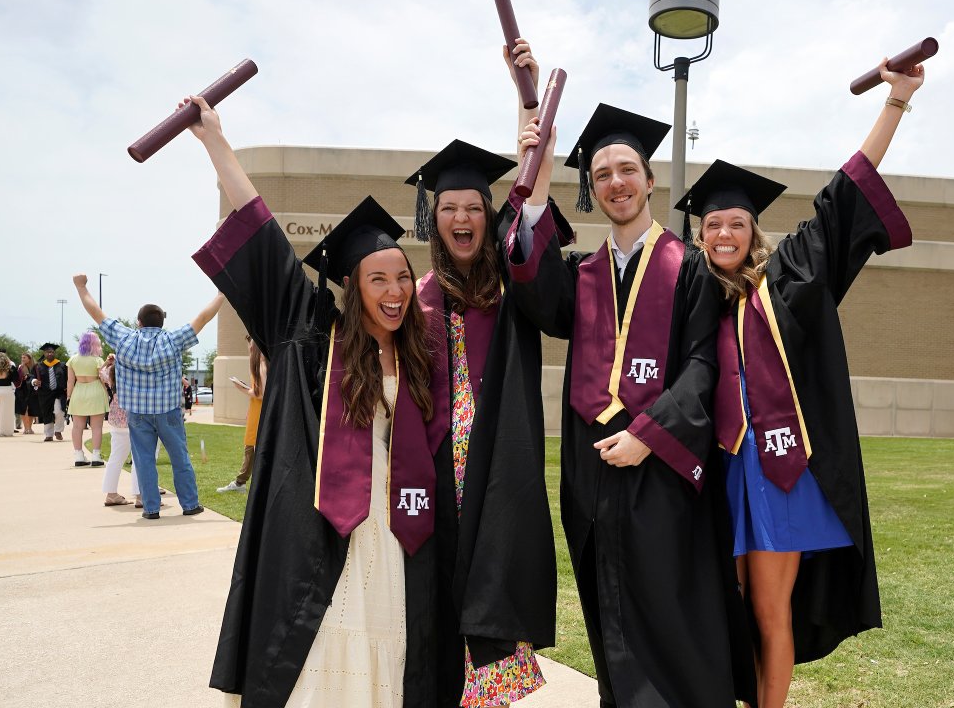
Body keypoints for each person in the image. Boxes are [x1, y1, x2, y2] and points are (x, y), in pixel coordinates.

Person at [187, 94, 456, 707]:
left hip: (395, 531)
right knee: (323, 641)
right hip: (321, 527)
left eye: (401, 278)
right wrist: (216, 143)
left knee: (388, 646)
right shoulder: (311, 340)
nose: (394, 292)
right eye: (377, 279)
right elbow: (262, 235)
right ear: (352, 286)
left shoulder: (420, 355)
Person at [507, 42, 754, 706]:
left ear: (649, 181)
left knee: (673, 623)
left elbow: (708, 363)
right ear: (592, 188)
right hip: (593, 480)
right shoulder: (582, 275)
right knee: (611, 625)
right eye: (602, 173)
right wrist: (536, 167)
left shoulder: (691, 266)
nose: (615, 181)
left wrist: (652, 433)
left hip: (664, 475)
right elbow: (536, 292)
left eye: (627, 169)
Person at [674, 55, 921, 707]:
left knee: (769, 612)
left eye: (735, 222)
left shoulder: (787, 279)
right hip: (720, 476)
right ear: (700, 237)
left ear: (752, 229)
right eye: (712, 225)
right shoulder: (690, 300)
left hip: (780, 474)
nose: (724, 232)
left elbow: (842, 198)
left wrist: (894, 104)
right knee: (723, 613)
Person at [406, 139, 561, 705]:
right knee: (438, 597)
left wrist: (530, 121)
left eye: (473, 207)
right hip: (436, 472)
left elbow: (531, 226)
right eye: (448, 208)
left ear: (487, 213)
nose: (461, 218)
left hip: (500, 468)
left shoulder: (510, 287)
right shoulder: (419, 296)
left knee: (493, 591)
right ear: (433, 219)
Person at [71, 274, 220, 518]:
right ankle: (190, 505)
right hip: (169, 411)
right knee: (179, 458)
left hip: (138, 413)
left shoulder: (125, 338)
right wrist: (221, 295)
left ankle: (150, 509)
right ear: (162, 322)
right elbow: (202, 318)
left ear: (138, 322)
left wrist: (81, 287)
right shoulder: (173, 340)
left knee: (143, 460)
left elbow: (95, 312)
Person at [216, 335, 266, 494]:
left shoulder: (262, 364)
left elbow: (262, 393)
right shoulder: (259, 364)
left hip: (260, 412)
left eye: (251, 347)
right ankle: (240, 482)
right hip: (255, 411)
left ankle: (241, 483)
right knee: (250, 448)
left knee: (252, 448)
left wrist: (241, 388)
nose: (249, 349)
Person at [100, 353, 140, 507]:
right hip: (134, 416)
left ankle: (111, 494)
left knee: (116, 457)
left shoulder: (112, 374)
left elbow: (101, 372)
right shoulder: (134, 374)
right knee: (139, 457)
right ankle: (140, 494)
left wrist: (107, 362)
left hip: (117, 418)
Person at [66, 330, 110, 467]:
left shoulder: (73, 359)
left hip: (78, 391)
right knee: (96, 426)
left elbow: (69, 381)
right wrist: (107, 393)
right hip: (96, 390)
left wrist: (68, 397)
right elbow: (103, 379)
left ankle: (78, 455)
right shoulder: (97, 360)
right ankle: (96, 455)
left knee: (77, 426)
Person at [32, 343, 68, 441]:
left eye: (52, 352)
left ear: (54, 353)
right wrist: (34, 381)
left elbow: (68, 378)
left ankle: (58, 430)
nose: (50, 354)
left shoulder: (62, 365)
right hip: (45, 393)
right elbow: (32, 377)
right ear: (44, 353)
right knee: (46, 413)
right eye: (48, 352)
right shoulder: (38, 366)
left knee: (59, 412)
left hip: (59, 393)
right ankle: (49, 434)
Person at [15, 352, 40, 435]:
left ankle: (29, 427)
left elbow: (38, 377)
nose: (22, 359)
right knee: (23, 409)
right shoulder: (20, 367)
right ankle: (26, 428)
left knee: (31, 409)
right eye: (22, 357)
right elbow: (17, 379)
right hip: (22, 390)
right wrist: (23, 377)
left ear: (29, 358)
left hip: (32, 390)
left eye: (24, 357)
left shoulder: (36, 367)